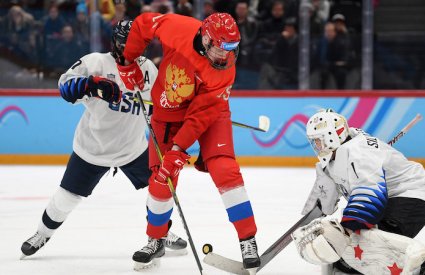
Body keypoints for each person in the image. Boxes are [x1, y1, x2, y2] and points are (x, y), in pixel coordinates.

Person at [20, 20, 187, 261]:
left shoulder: (149, 68)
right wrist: (90, 85)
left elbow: (161, 105)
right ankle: (42, 233)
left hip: (134, 149)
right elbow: (64, 88)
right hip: (92, 150)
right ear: (118, 44)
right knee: (65, 198)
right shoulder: (96, 62)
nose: (136, 50)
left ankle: (161, 232)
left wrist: (176, 110)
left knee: (160, 191)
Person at [120, 12, 261, 270]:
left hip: (209, 114)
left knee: (224, 168)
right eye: (220, 49)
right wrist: (127, 62)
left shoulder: (225, 70)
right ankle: (156, 238)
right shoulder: (177, 27)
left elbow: (199, 117)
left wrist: (178, 148)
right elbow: (142, 25)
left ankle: (247, 238)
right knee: (161, 178)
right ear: (206, 38)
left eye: (231, 49)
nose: (225, 56)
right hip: (168, 113)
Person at [291, 108, 425, 274]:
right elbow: (325, 199)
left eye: (318, 141)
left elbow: (370, 195)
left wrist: (345, 229)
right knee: (350, 253)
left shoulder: (359, 151)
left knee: (366, 245)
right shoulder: (340, 154)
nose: (316, 146)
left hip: (410, 196)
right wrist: (316, 213)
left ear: (332, 136)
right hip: (396, 199)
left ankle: (423, 268)